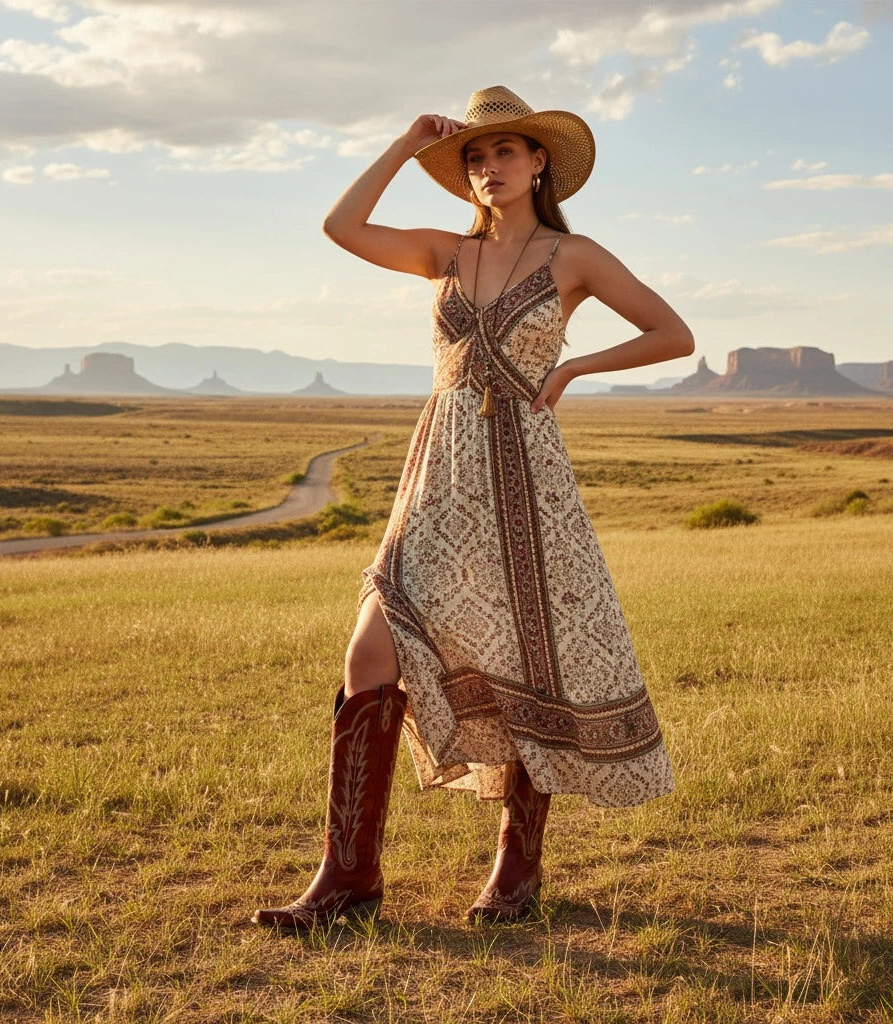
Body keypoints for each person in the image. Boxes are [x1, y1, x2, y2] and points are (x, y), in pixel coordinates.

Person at [253, 86, 695, 931]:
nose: (489, 167)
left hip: (527, 479)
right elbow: (342, 229)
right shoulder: (446, 254)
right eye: (475, 158)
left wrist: (570, 370)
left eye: (505, 153)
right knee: (370, 652)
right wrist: (404, 141)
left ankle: (516, 868)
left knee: (532, 658)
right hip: (439, 470)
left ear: (538, 163)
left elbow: (672, 335)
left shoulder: (575, 256)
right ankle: (348, 879)